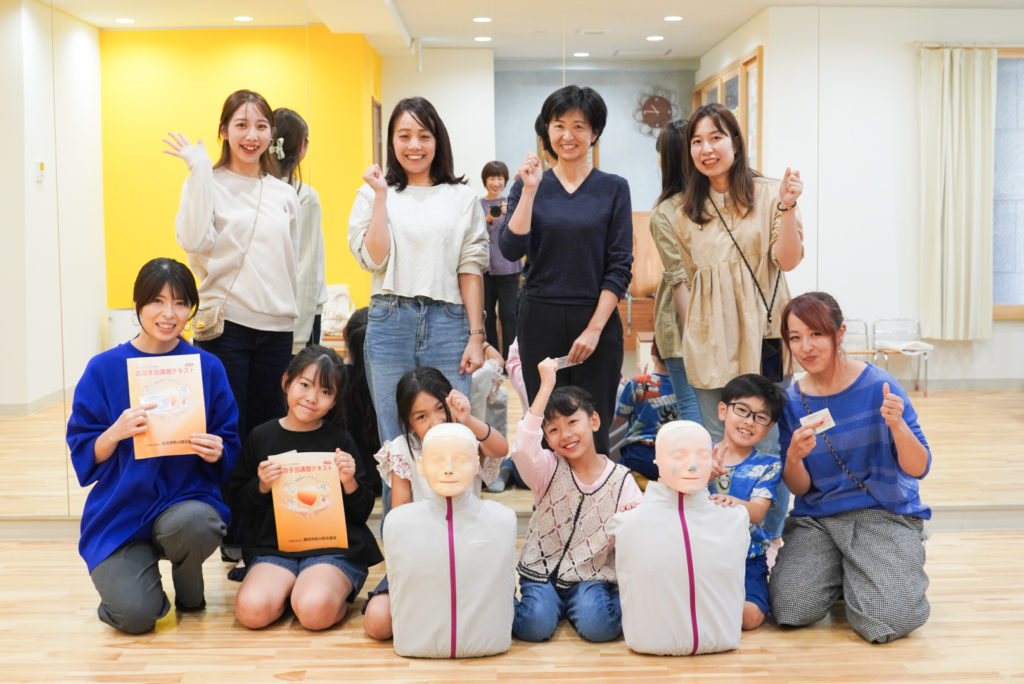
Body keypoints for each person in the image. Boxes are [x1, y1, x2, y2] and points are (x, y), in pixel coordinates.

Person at [66, 258, 240, 634]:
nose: (169, 314)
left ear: (191, 308)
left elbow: (228, 441)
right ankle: (137, 589)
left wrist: (218, 451)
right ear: (137, 306)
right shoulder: (103, 368)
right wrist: (114, 432)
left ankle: (189, 587)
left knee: (197, 524)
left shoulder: (206, 366)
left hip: (184, 501)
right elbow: (83, 446)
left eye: (180, 303)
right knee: (135, 617)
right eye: (157, 301)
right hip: (121, 510)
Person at [672, 102, 805, 544]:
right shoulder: (686, 211)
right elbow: (692, 279)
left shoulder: (770, 194)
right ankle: (721, 537)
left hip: (762, 336)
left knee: (765, 443)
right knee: (718, 441)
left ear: (735, 142)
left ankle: (768, 540)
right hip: (710, 339)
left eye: (716, 137)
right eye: (697, 141)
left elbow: (788, 260)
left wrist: (788, 207)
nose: (706, 149)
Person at [770, 292, 931, 644]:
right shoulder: (793, 401)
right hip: (819, 519)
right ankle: (851, 570)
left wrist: (898, 426)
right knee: (790, 609)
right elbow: (800, 489)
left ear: (839, 333)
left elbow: (919, 467)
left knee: (891, 619)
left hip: (882, 512)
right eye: (795, 337)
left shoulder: (879, 386)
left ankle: (880, 561)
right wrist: (793, 458)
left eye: (816, 334)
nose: (805, 347)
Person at [348, 96, 488, 473]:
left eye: (424, 136)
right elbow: (375, 259)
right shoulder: (372, 193)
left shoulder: (462, 198)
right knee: (394, 439)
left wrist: (476, 335)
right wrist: (381, 196)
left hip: (449, 323)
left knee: (453, 431)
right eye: (404, 135)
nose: (414, 145)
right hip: (389, 322)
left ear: (437, 141)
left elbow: (471, 268)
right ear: (391, 141)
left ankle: (452, 511)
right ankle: (399, 512)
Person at [499, 85, 633, 455]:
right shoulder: (527, 185)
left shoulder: (614, 188)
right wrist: (529, 191)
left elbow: (620, 265)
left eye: (578, 126)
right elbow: (511, 249)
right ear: (546, 131)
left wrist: (594, 329)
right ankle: (551, 494)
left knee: (594, 426)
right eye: (558, 125)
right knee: (548, 426)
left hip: (596, 319)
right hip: (539, 319)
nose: (567, 135)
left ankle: (597, 495)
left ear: (594, 133)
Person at [164, 89, 300, 441]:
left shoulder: (284, 193)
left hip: (277, 328)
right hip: (226, 327)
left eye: (261, 126)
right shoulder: (207, 180)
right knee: (225, 427)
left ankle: (260, 483)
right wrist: (198, 170)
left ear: (271, 134)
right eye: (241, 125)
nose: (251, 135)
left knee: (269, 428)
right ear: (224, 130)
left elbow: (290, 264)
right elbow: (194, 241)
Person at [224, 345, 382, 631]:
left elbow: (362, 511)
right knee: (251, 612)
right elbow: (239, 504)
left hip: (332, 548)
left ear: (334, 401)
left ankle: (313, 589)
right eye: (305, 385)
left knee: (314, 612)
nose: (311, 398)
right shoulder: (261, 436)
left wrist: (349, 482)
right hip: (275, 548)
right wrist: (261, 486)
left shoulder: (341, 440)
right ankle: (291, 589)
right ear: (286, 382)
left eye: (325, 391)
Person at [363, 366, 508, 640]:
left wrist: (468, 420)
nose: (436, 420)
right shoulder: (402, 449)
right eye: (421, 416)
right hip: (421, 555)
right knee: (377, 622)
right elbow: (400, 516)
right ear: (409, 423)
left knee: (488, 618)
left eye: (441, 408)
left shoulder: (467, 438)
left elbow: (501, 448)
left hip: (469, 553)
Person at [511, 357, 642, 643]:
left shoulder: (621, 479)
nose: (566, 434)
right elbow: (521, 449)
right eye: (553, 429)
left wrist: (633, 518)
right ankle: (502, 596)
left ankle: (620, 596)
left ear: (594, 421)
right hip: (541, 573)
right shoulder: (546, 468)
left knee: (601, 627)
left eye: (572, 422)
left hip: (590, 576)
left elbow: (637, 534)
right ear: (546, 438)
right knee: (533, 627)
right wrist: (545, 387)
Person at [609, 421, 749, 656]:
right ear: (657, 461)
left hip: (722, 641)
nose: (692, 465)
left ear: (713, 459)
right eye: (679, 455)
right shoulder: (629, 520)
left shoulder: (734, 518)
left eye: (702, 455)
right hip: (649, 643)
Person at [383, 423, 516, 658]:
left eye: (461, 459)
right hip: (413, 642)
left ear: (477, 464)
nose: (448, 469)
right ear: (420, 466)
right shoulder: (399, 523)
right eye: (437, 460)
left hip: (490, 640)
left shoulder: (502, 520)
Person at [706, 373, 784, 630]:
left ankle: (707, 609)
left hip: (747, 558)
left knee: (750, 617)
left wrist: (733, 502)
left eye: (760, 417)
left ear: (769, 427)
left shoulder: (769, 465)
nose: (749, 421)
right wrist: (705, 478)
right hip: (701, 555)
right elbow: (678, 501)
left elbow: (758, 511)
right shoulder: (700, 454)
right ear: (723, 411)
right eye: (742, 410)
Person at [649, 118, 702, 424]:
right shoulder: (671, 211)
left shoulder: (666, 211)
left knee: (691, 404)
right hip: (684, 317)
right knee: (698, 404)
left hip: (683, 317)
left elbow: (678, 277)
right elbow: (678, 277)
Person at [273, 107, 328, 353]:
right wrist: (298, 339)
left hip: (267, 314)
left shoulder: (255, 190)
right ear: (302, 146)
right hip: (298, 319)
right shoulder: (303, 196)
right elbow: (306, 268)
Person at [614, 340, 679, 488]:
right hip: (674, 456)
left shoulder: (637, 384)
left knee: (618, 472)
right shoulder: (684, 386)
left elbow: (619, 419)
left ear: (652, 350)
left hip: (640, 456)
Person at [479, 160, 520, 359]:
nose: (496, 183)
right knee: (487, 316)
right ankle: (494, 360)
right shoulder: (478, 205)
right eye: (492, 178)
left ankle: (511, 360)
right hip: (485, 268)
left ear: (505, 181)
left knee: (509, 315)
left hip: (508, 267)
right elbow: (474, 232)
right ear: (485, 180)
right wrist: (487, 219)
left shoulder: (510, 203)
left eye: (500, 178)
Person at [340, 307, 382, 496]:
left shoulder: (334, 383)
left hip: (348, 482)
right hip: (387, 480)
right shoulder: (390, 383)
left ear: (344, 334)